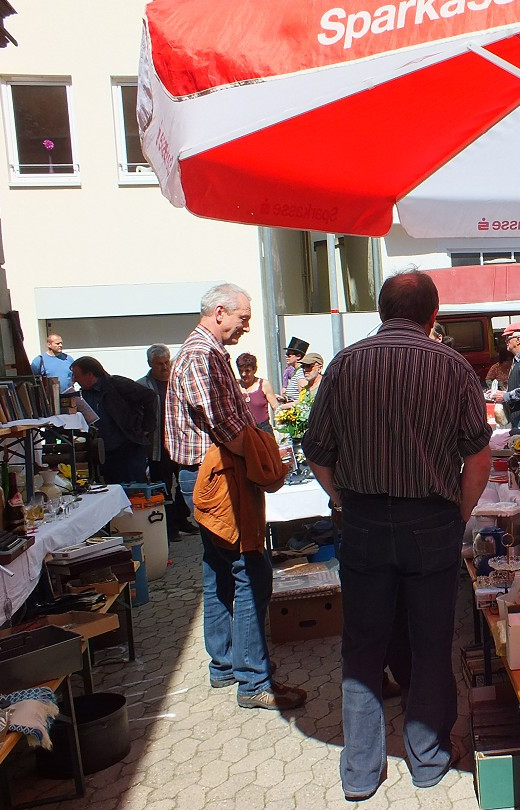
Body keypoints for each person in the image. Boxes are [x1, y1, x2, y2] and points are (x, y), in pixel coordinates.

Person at [303, 270, 491, 800]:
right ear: (434, 314)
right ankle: (428, 761)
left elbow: (316, 451)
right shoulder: (452, 366)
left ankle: (361, 773)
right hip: (430, 520)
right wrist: (460, 511)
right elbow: (479, 455)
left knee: (362, 645)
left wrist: (341, 498)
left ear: (382, 311)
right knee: (430, 639)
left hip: (362, 520)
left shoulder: (345, 363)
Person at [166, 282, 305, 711]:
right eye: (244, 318)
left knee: (220, 569)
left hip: (211, 473)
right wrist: (266, 456)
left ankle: (225, 665)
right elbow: (226, 424)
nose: (246, 326)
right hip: (217, 475)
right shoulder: (200, 355)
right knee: (251, 569)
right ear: (221, 311)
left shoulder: (205, 353)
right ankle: (252, 680)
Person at [137, 344, 195, 540]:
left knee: (184, 484)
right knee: (163, 487)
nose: (164, 367)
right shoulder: (142, 386)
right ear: (149, 364)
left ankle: (182, 519)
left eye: (166, 362)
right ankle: (169, 528)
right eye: (159, 364)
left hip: (181, 444)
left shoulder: (178, 382)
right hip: (157, 447)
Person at [72, 356, 157, 485]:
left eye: (77, 375)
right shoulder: (83, 394)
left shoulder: (117, 384)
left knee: (134, 490)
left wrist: (146, 428)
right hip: (104, 453)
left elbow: (150, 397)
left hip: (128, 449)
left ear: (89, 374)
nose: (75, 379)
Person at [236, 353, 279, 434]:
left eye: (247, 371)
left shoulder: (264, 384)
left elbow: (276, 408)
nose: (243, 374)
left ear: (254, 369)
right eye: (240, 371)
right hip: (244, 431)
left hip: (263, 430)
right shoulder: (235, 386)